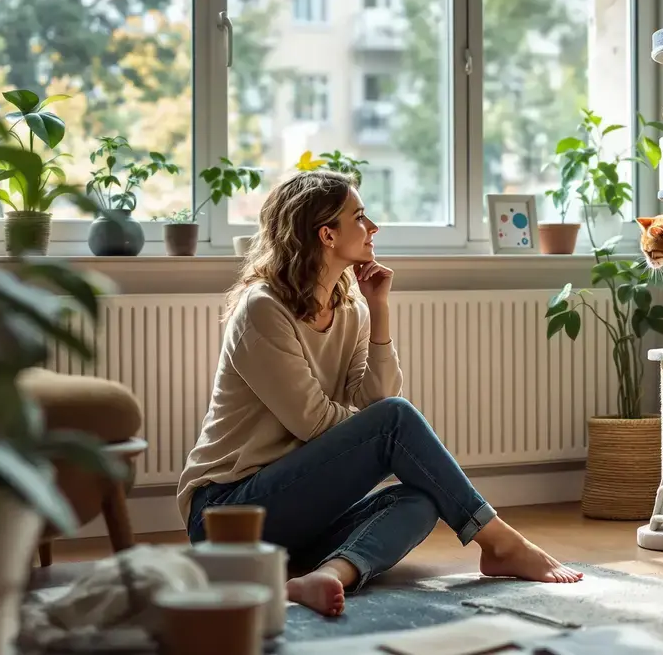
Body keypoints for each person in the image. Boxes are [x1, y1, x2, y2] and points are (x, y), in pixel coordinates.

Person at [176, 170, 582, 617]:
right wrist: (381, 433)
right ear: (327, 234)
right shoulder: (262, 308)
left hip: (300, 515)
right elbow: (317, 422)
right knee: (395, 422)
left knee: (423, 500)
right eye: (360, 217)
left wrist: (379, 308)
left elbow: (377, 401)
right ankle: (500, 541)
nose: (373, 227)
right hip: (228, 515)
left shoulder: (349, 308)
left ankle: (330, 574)